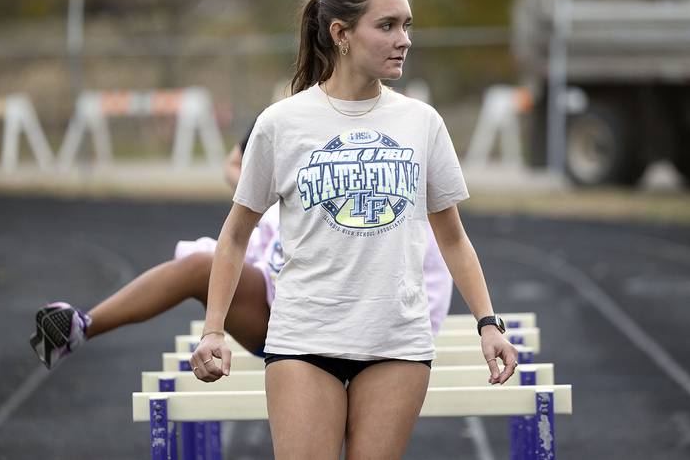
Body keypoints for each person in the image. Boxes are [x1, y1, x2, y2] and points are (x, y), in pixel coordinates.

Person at [189, 0, 517, 460]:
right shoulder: (281, 122)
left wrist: (488, 323)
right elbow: (235, 236)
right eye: (387, 26)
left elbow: (452, 238)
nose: (404, 40)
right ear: (341, 33)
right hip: (304, 337)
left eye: (406, 26)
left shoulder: (422, 122)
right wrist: (214, 330)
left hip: (397, 342)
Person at [28, 128, 453, 369]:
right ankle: (81, 326)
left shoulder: (389, 152)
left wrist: (418, 334)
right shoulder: (287, 129)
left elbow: (437, 250)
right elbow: (237, 169)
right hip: (291, 321)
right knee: (203, 264)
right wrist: (254, 189)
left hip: (372, 330)